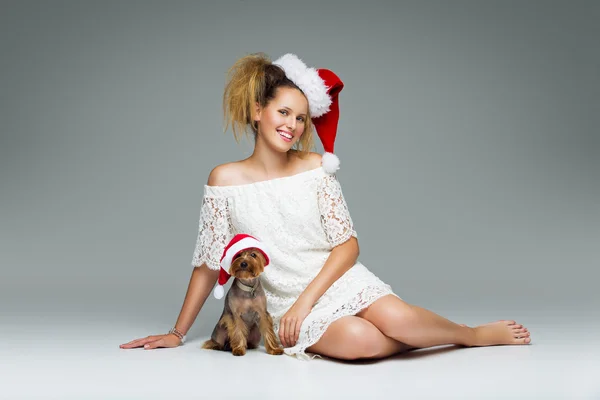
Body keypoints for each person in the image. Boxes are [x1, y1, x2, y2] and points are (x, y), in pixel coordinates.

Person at [120, 52, 531, 360]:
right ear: (257, 112)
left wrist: (308, 300)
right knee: (360, 342)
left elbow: (348, 245)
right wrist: (177, 331)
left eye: (301, 118)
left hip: (336, 282)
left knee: (400, 320)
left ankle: (472, 335)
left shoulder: (315, 167)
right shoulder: (224, 180)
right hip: (282, 302)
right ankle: (418, 338)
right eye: (283, 112)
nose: (293, 126)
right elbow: (210, 263)